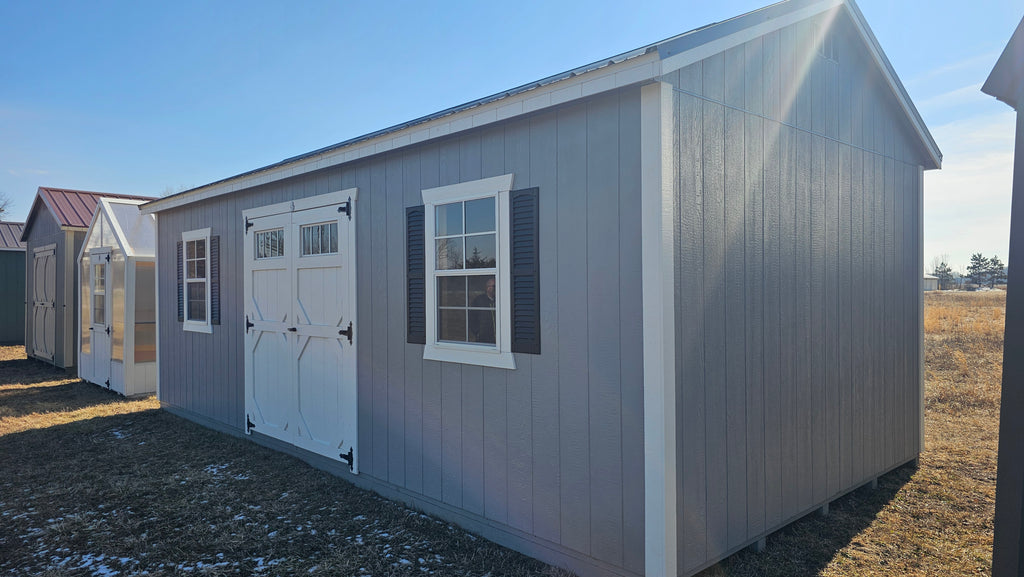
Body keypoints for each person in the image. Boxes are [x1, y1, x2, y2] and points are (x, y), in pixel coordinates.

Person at [469, 277, 496, 344]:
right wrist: (477, 333)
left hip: (498, 338)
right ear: (488, 288)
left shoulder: (499, 299)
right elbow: (472, 318)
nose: (495, 288)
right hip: (483, 338)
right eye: (494, 286)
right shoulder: (479, 300)